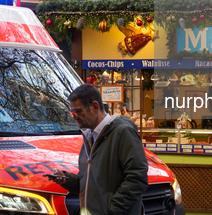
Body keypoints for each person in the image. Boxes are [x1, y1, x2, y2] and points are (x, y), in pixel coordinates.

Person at [49, 85, 148, 215]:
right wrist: (66, 179)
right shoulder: (89, 137)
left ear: (95, 107)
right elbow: (89, 182)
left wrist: (114, 210)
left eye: (77, 112)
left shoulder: (123, 132)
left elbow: (137, 178)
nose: (74, 117)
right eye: (71, 113)